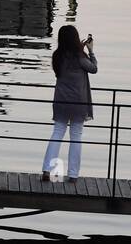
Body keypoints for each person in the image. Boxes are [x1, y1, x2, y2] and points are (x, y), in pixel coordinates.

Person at [41, 26, 97, 184]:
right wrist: (90, 50)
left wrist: (79, 49)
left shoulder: (57, 56)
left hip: (60, 101)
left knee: (57, 133)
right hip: (78, 102)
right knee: (76, 136)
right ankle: (73, 175)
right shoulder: (79, 57)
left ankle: (47, 170)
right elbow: (94, 68)